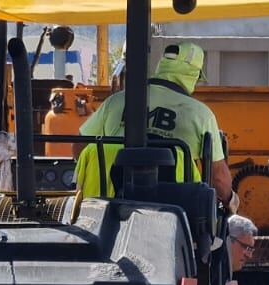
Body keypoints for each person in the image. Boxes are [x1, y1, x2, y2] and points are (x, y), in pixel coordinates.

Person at [74, 43, 233, 204]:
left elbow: (78, 148)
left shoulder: (115, 102)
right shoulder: (201, 114)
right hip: (174, 212)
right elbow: (218, 178)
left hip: (105, 208)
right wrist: (231, 201)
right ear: (193, 76)